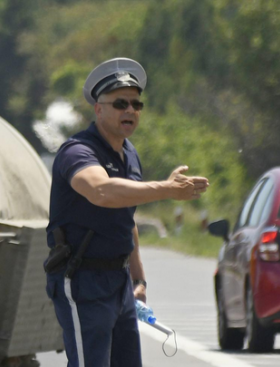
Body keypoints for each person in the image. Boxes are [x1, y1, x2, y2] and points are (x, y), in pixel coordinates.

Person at [44, 57, 209, 367]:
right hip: (83, 280)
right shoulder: (78, 151)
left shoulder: (129, 153)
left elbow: (125, 215)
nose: (130, 110)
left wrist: (138, 279)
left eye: (136, 104)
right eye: (120, 103)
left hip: (119, 282)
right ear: (99, 108)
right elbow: (102, 192)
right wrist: (167, 189)